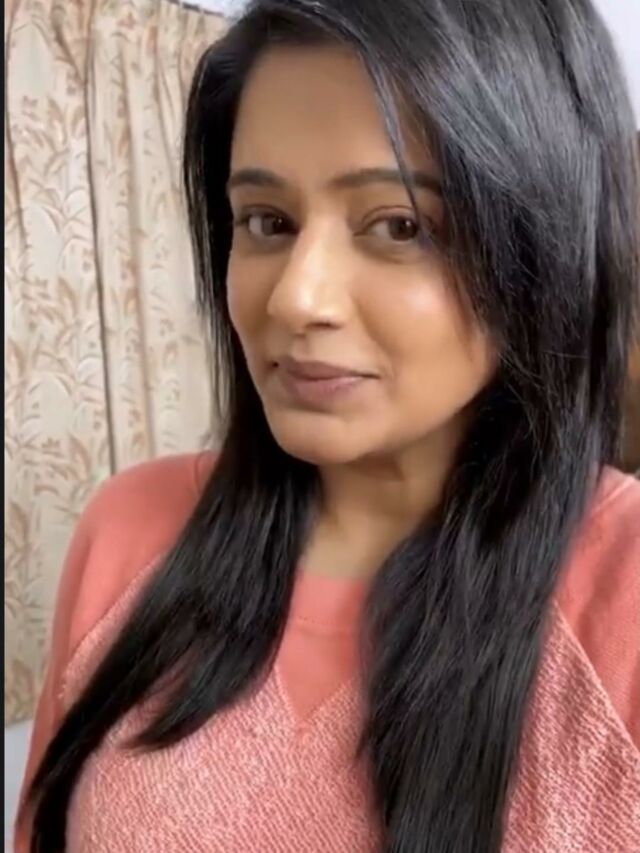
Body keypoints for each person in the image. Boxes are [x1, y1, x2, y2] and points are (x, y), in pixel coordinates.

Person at [16, 0, 640, 851]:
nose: (295, 297)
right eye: (267, 222)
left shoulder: (622, 598)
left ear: (545, 246)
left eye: (400, 225)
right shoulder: (127, 531)